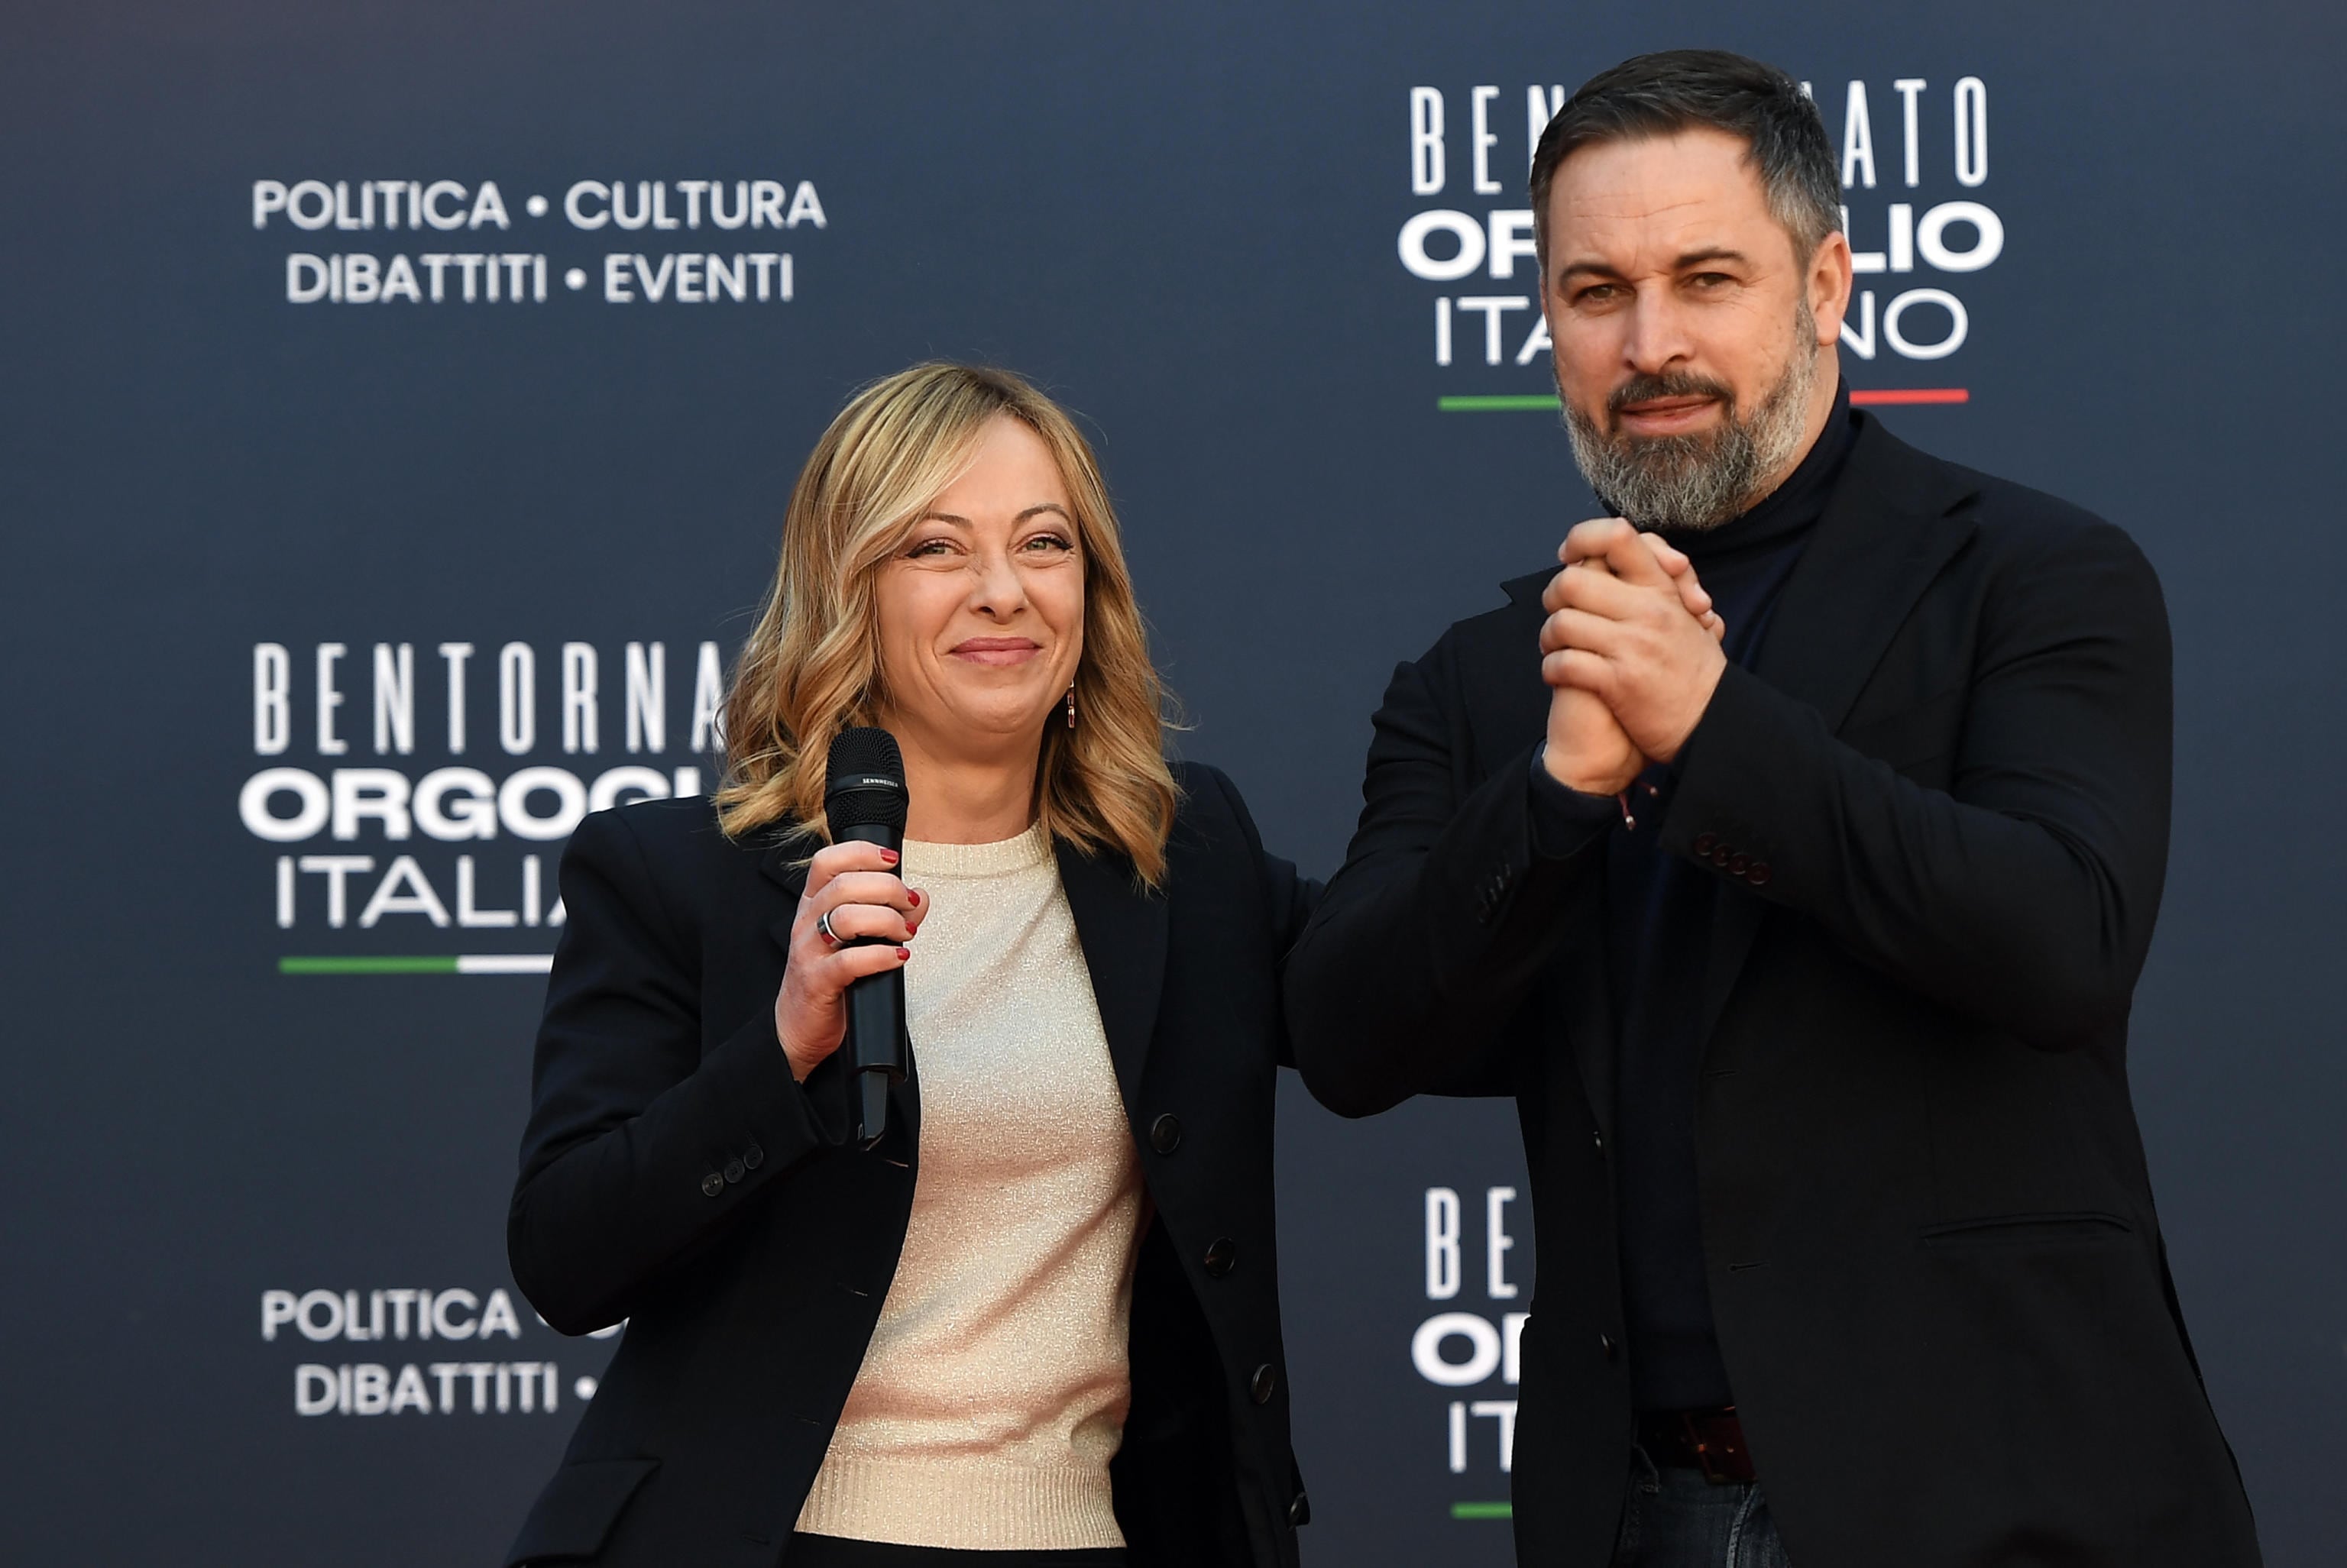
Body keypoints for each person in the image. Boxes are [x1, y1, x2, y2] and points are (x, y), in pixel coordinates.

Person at [1287, 49, 2259, 1568]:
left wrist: (1714, 730)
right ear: (1541, 314)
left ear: (1826, 286)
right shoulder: (1489, 678)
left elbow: (2062, 941)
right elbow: (1343, 1032)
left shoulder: (2035, 577)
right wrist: (1554, 800)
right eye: (1596, 289)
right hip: (1641, 1512)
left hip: (2007, 1500)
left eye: (1706, 278)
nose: (1650, 341)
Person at [504, 363, 1313, 1568]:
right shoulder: (677, 873)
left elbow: (1392, 996)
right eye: (937, 548)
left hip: (1088, 1538)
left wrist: (1564, 794)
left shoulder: (1186, 858)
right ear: (850, 591)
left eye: (1045, 543)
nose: (1004, 592)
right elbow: (566, 1255)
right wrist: (780, 1054)